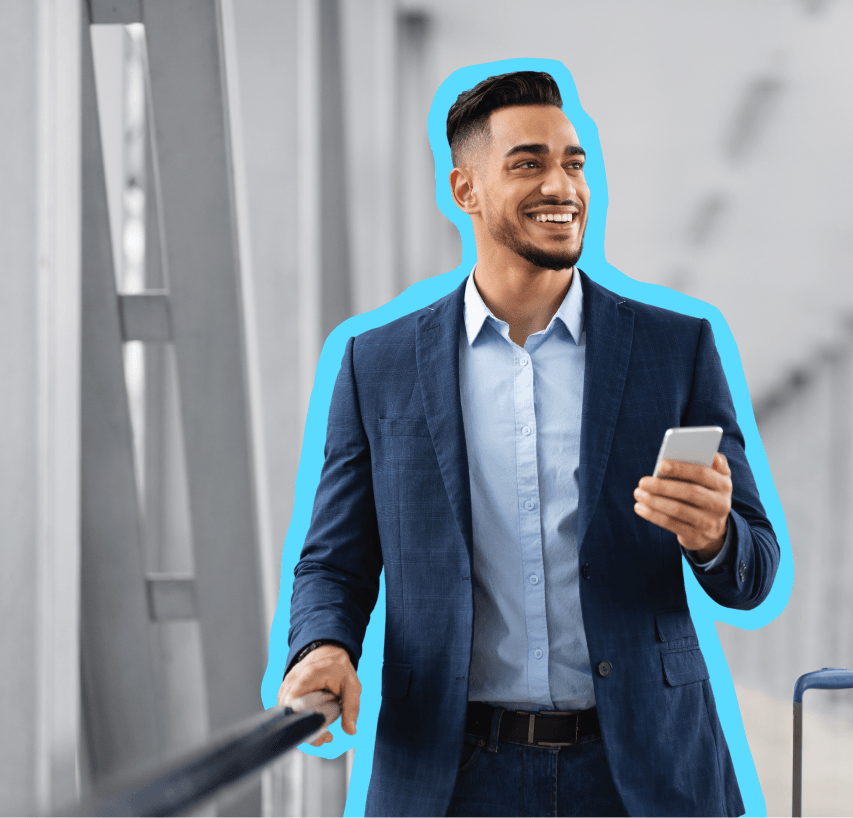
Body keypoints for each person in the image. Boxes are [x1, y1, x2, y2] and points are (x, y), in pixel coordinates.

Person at [278, 70, 780, 817]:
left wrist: (713, 538)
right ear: (465, 190)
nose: (563, 185)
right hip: (452, 773)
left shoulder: (674, 350)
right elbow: (334, 560)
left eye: (573, 163)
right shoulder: (376, 365)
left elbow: (752, 570)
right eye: (528, 164)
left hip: (641, 769)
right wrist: (322, 645)